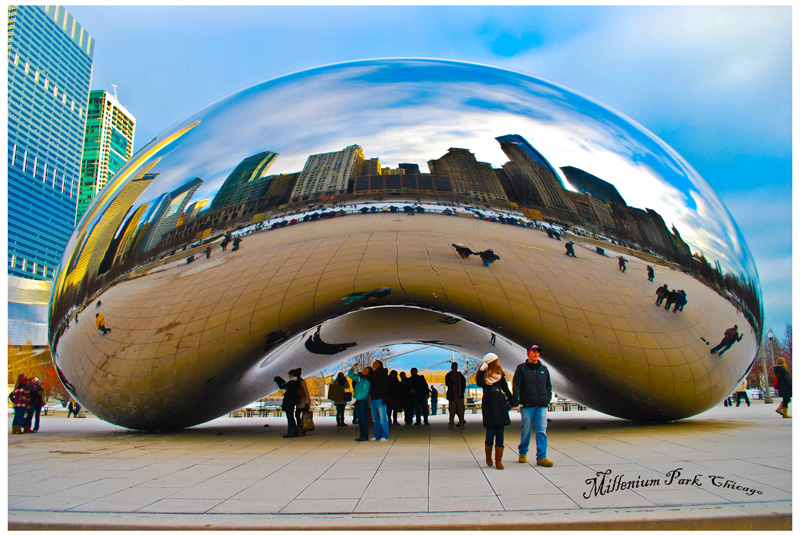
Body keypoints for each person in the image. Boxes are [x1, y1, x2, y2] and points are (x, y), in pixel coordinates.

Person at [513, 344, 554, 467]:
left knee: (541, 430)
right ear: (528, 354)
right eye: (533, 351)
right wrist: (516, 401)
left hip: (541, 405)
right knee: (526, 430)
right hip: (527, 406)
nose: (536, 354)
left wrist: (547, 398)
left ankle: (542, 456)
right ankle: (523, 452)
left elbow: (548, 386)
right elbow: (516, 385)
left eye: (537, 352)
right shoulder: (521, 369)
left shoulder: (544, 369)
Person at [476, 353, 517, 470]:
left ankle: (498, 460)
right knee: (490, 432)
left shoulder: (500, 373)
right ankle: (488, 455)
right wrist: (482, 370)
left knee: (500, 432)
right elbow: (479, 383)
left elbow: (506, 389)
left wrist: (514, 401)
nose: (498, 362)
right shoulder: (483, 374)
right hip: (489, 403)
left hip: (499, 404)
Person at [274, 368, 303, 438]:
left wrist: (278, 380)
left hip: (289, 401)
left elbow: (283, 386)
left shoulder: (292, 382)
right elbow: (286, 385)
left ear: (292, 375)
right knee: (291, 417)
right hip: (292, 402)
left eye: (289, 375)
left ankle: (290, 432)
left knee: (289, 417)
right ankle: (295, 431)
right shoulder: (296, 382)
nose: (289, 376)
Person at [347, 366, 372, 441]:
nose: (364, 371)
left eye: (366, 371)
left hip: (362, 400)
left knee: (363, 418)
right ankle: (362, 435)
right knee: (360, 419)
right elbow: (350, 375)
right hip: (357, 400)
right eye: (364, 369)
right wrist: (353, 368)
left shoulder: (367, 381)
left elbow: (365, 392)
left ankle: (364, 435)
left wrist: (356, 398)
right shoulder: (359, 378)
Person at [369, 360, 390, 441]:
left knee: (381, 418)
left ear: (379, 365)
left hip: (379, 398)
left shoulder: (381, 374)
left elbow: (385, 386)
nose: (373, 364)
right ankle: (377, 435)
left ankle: (385, 435)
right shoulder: (374, 374)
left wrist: (384, 397)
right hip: (375, 398)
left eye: (375, 363)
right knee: (376, 419)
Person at [445, 362, 467, 428]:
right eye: (454, 367)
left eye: (456, 367)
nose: (455, 368)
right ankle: (451, 422)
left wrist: (462, 391)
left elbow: (463, 383)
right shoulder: (449, 375)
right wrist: (454, 381)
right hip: (452, 395)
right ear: (451, 367)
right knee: (452, 410)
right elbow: (448, 383)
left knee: (461, 409)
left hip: (459, 394)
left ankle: (461, 421)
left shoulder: (460, 375)